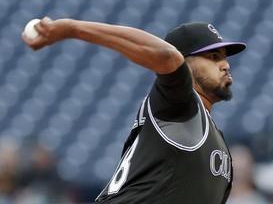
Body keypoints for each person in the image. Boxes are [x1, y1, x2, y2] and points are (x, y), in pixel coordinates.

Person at [22, 17, 246, 204]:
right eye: (213, 57)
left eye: (224, 57)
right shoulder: (179, 104)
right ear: (185, 64)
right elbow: (167, 56)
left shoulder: (215, 139)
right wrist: (71, 29)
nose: (225, 64)